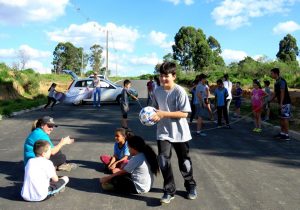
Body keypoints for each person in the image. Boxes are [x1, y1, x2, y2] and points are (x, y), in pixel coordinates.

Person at [151, 61, 197, 204]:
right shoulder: (156, 91)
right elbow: (154, 109)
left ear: (174, 76)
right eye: (161, 76)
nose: (163, 79)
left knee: (184, 162)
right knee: (163, 161)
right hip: (163, 132)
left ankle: (190, 186)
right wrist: (151, 116)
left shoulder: (179, 91)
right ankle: (169, 190)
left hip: (180, 133)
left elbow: (184, 114)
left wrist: (163, 113)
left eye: (167, 76)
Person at [270, 68, 292, 141]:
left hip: (285, 102)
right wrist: (270, 100)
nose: (271, 75)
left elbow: (282, 92)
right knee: (281, 118)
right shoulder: (276, 82)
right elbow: (276, 93)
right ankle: (282, 133)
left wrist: (281, 103)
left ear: (276, 73)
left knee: (285, 118)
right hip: (281, 102)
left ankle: (286, 135)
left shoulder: (281, 81)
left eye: (272, 73)